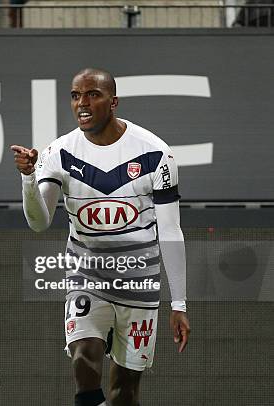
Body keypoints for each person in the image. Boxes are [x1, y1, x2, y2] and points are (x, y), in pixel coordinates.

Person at [11, 68, 190, 406]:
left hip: (139, 282)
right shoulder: (59, 153)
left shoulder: (155, 154)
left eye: (93, 94)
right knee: (84, 358)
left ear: (114, 101)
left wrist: (178, 304)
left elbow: (169, 230)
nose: (82, 103)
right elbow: (39, 222)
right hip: (86, 276)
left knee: (125, 393)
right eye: (76, 95)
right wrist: (28, 178)